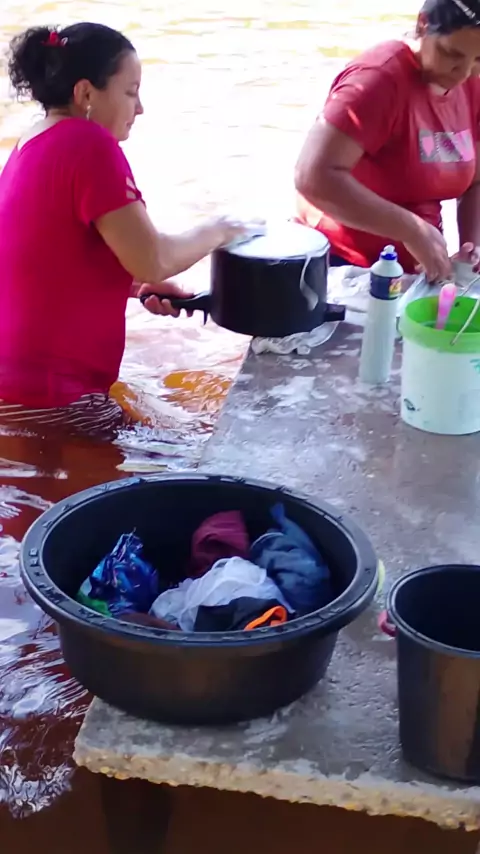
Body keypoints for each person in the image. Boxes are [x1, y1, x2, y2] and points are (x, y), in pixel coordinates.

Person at [0, 22, 244, 429]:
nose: (140, 108)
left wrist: (132, 285)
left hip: (15, 388)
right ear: (85, 94)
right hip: (51, 397)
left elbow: (45, 259)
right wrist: (222, 229)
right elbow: (154, 258)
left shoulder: (30, 143)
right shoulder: (89, 144)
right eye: (131, 92)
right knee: (198, 451)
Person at [295, 0, 480, 282]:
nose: (464, 73)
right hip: (339, 264)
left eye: (478, 59)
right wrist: (411, 230)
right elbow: (312, 176)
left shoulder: (472, 84)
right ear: (422, 25)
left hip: (414, 269)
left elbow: (476, 181)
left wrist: (471, 248)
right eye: (451, 53)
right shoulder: (378, 80)